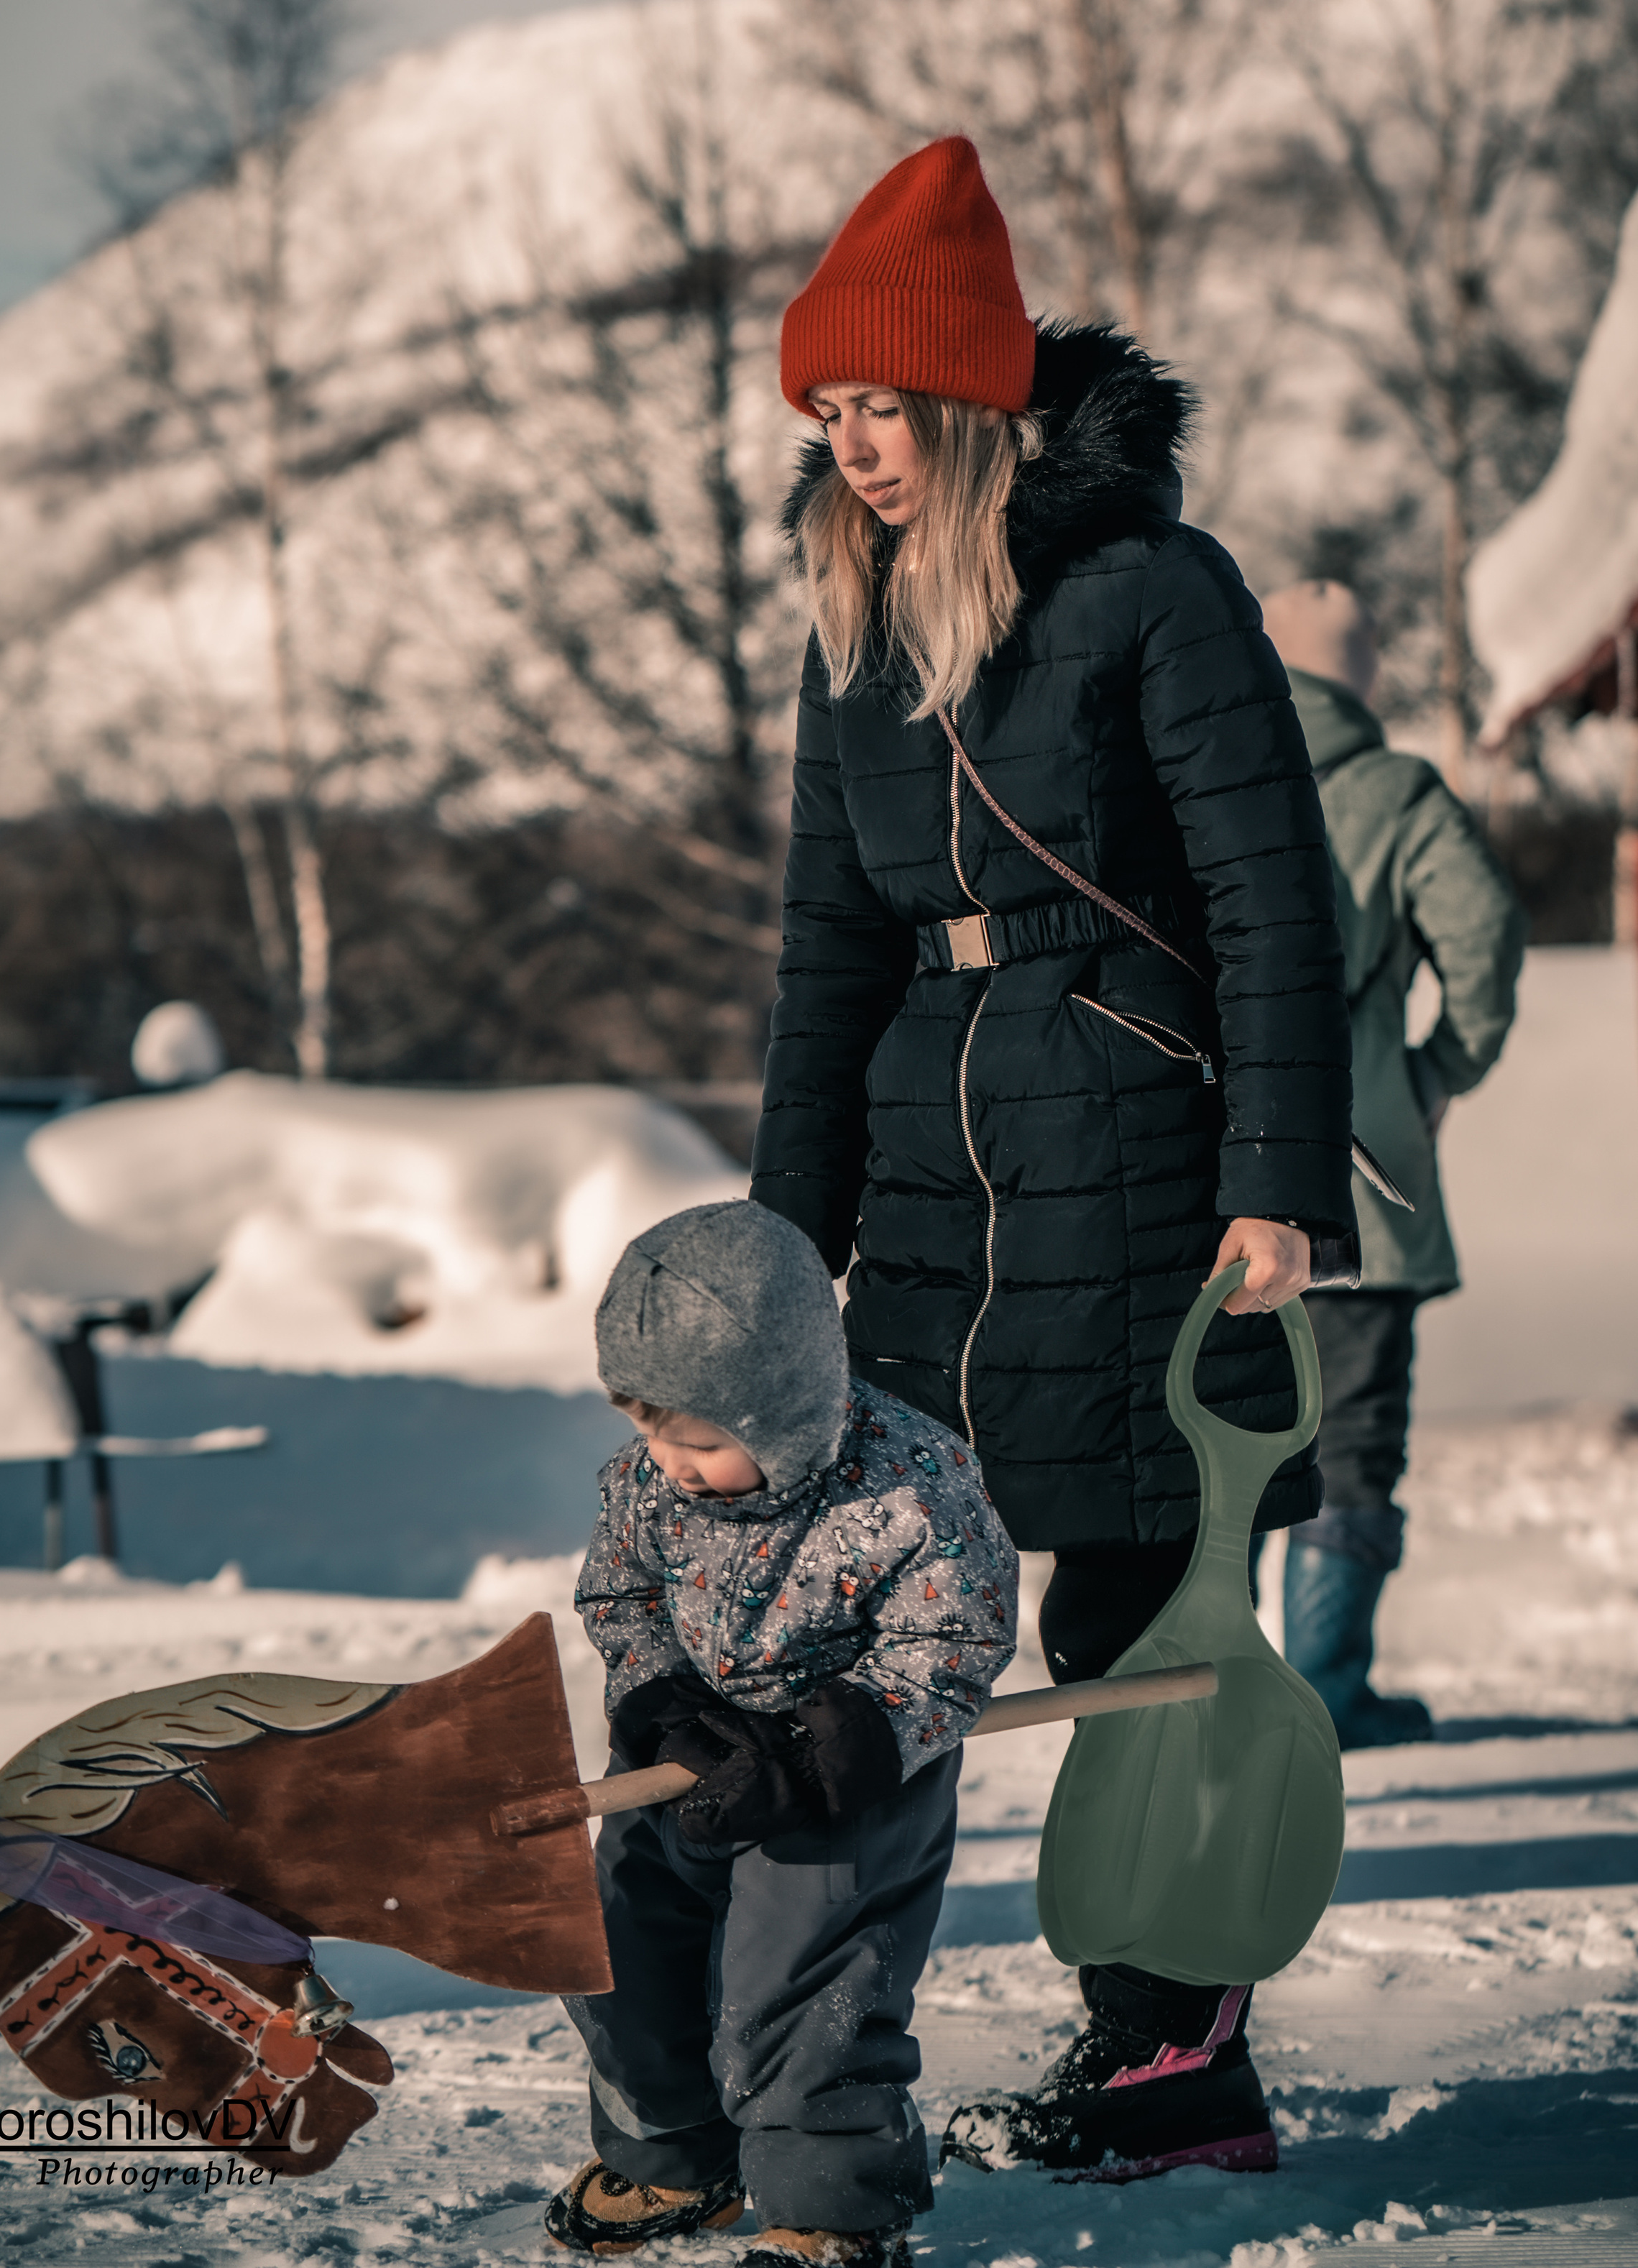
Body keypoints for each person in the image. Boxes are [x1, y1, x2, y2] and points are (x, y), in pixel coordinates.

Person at [748, 138, 1356, 2182]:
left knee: (1137, 1623)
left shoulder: (1144, 594)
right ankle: (819, 2066)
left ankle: (1178, 2056)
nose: (856, 445)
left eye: (883, 404)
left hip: (1145, 1167)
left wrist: (1276, 1182)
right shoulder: (847, 623)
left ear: (973, 397)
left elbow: (1277, 898)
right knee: (864, 1631)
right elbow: (828, 951)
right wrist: (778, 1243)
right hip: (932, 1184)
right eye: (825, 411)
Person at [550, 1200, 1017, 2267]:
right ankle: (675, 2157)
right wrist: (662, 1704)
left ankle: (830, 2209)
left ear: (787, 1411)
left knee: (803, 1986)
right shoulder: (644, 1483)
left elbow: (955, 1637)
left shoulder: (915, 1486)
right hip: (689, 1756)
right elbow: (617, 1600)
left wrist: (826, 1748)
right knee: (621, 1941)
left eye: (702, 1443)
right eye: (647, 1432)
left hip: (848, 1773)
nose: (668, 1464)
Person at [1260, 579, 1525, 1746]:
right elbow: (1485, 935)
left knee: (1213, 1430)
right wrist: (1434, 1074)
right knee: (1352, 1430)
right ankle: (1322, 1686)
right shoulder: (1397, 792)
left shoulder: (1187, 769)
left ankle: (1210, 1694)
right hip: (1360, 1172)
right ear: (1360, 679)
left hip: (1203, 1169)